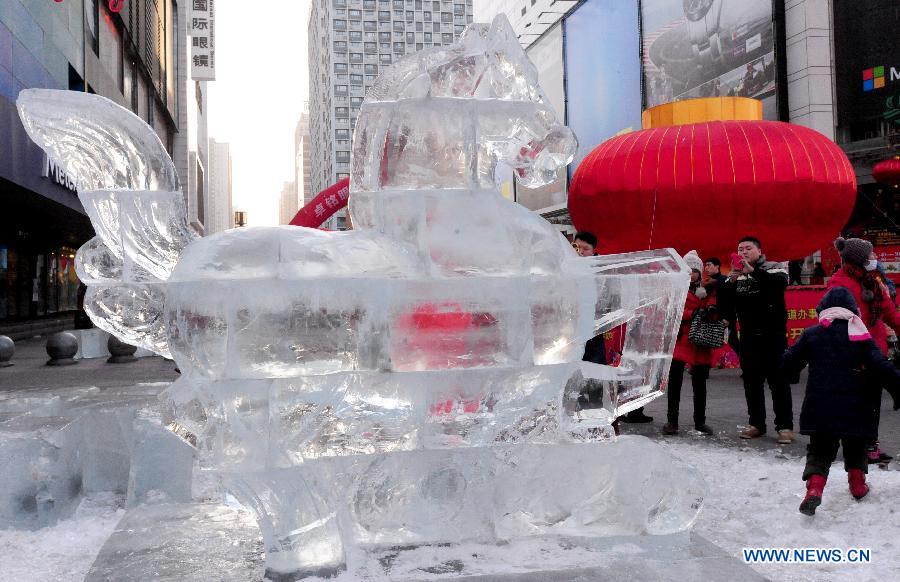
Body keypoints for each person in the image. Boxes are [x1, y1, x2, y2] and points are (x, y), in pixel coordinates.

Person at [782, 287, 900, 515]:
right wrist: (897, 390)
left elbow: (789, 361)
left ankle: (814, 491)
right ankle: (857, 486)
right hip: (857, 407)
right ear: (852, 311)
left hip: (820, 407)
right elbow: (882, 366)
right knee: (856, 446)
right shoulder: (860, 335)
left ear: (824, 310)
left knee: (820, 450)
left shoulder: (812, 334)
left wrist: (792, 374)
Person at [827, 237, 900, 464]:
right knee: (857, 403)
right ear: (859, 259)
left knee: (873, 402)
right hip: (852, 353)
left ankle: (871, 446)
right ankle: (857, 448)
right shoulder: (838, 284)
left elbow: (889, 312)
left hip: (875, 352)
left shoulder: (874, 282)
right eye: (871, 256)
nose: (875, 259)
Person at [719, 236, 794, 443]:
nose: (743, 252)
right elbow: (724, 301)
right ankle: (757, 424)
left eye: (748, 248)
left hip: (774, 336)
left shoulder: (774, 268)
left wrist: (752, 271)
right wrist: (732, 279)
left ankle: (785, 426)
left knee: (778, 382)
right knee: (752, 383)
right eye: (740, 249)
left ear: (759, 251)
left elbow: (777, 286)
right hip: (749, 338)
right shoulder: (735, 275)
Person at [663, 251, 715, 435]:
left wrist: (710, 309)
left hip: (700, 341)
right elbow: (671, 310)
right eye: (688, 269)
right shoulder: (676, 288)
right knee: (675, 383)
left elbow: (715, 307)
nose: (692, 273)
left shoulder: (708, 289)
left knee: (700, 385)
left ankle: (700, 422)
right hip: (681, 340)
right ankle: (672, 421)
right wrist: (691, 314)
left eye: (695, 270)